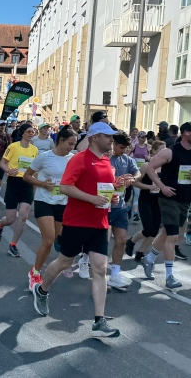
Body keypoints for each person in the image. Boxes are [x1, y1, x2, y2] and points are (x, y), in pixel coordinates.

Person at [31, 122, 122, 338]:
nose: (111, 140)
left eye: (112, 136)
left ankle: (99, 321)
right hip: (77, 221)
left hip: (99, 223)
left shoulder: (106, 161)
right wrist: (92, 199)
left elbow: (104, 190)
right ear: (94, 137)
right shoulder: (79, 159)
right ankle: (41, 290)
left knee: (99, 268)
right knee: (64, 262)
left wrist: (113, 197)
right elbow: (65, 187)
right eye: (107, 136)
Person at [143, 122, 191, 288]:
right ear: (186, 133)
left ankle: (149, 258)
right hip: (168, 198)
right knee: (172, 236)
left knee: (168, 232)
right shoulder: (170, 151)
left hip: (185, 199)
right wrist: (162, 186)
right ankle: (169, 277)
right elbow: (150, 167)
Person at [23, 126, 77, 289]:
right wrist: (41, 183)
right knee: (47, 240)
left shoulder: (74, 159)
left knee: (54, 239)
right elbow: (27, 176)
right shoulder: (44, 157)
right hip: (44, 201)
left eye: (74, 144)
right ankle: (35, 272)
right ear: (61, 140)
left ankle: (57, 260)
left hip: (63, 202)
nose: (72, 147)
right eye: (70, 143)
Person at [0, 124, 39, 257]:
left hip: (27, 184)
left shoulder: (35, 150)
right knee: (10, 219)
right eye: (28, 131)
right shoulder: (13, 146)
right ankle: (0, 225)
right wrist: (8, 170)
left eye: (33, 132)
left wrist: (35, 185)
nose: (31, 134)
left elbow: (35, 170)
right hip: (13, 183)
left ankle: (13, 244)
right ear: (22, 133)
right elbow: (2, 162)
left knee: (24, 215)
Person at [107, 132, 138, 290]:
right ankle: (85, 261)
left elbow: (137, 172)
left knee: (121, 241)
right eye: (121, 147)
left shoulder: (127, 159)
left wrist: (133, 178)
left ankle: (114, 275)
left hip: (120, 206)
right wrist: (115, 182)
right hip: (104, 205)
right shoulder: (105, 159)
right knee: (101, 242)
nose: (123, 150)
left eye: (126, 148)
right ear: (113, 144)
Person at [126, 141, 166, 262]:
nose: (164, 153)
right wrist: (149, 187)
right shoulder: (146, 166)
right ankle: (131, 241)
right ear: (153, 151)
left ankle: (141, 252)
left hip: (159, 201)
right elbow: (134, 182)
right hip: (145, 200)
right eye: (161, 150)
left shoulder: (167, 167)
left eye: (165, 150)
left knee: (154, 231)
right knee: (148, 229)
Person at [130, 131, 150, 221]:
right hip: (134, 171)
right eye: (142, 137)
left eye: (145, 137)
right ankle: (134, 212)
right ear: (138, 138)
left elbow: (150, 158)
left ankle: (133, 210)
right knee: (135, 192)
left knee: (137, 193)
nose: (144, 139)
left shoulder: (148, 147)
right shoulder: (134, 146)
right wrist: (133, 158)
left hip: (143, 172)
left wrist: (148, 158)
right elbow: (128, 156)